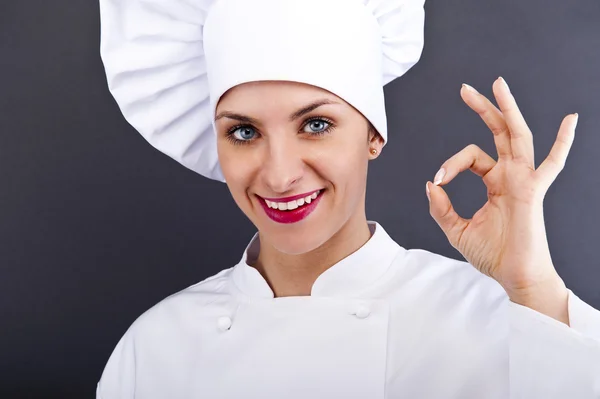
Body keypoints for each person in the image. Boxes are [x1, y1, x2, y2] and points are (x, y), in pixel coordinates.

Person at [96, 0, 600, 397]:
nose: (279, 174)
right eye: (244, 132)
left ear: (373, 134)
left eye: (315, 125)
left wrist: (533, 288)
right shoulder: (155, 349)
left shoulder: (498, 320)